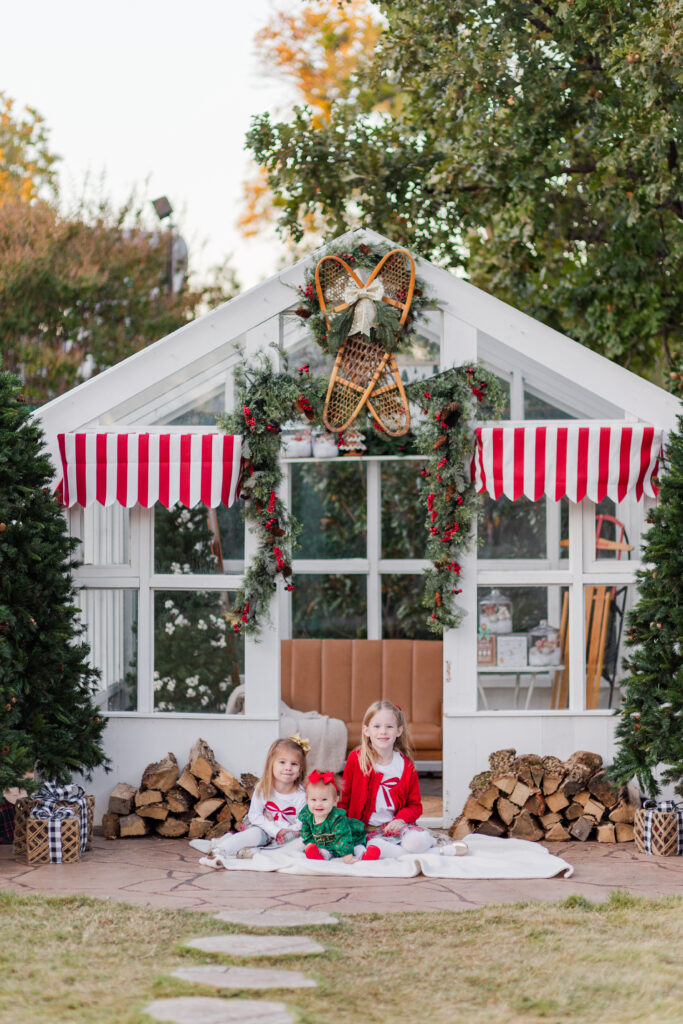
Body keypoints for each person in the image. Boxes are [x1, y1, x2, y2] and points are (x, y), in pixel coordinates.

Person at [339, 700, 436, 860]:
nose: (383, 732)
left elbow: (415, 806)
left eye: (389, 727)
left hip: (396, 827)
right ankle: (420, 853)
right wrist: (343, 827)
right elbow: (345, 798)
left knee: (416, 841)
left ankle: (417, 847)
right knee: (373, 847)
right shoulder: (356, 759)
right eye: (376, 726)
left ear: (398, 731)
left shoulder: (405, 765)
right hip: (367, 831)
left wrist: (400, 819)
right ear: (366, 730)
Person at [190, 735, 308, 866]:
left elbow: (301, 823)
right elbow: (255, 815)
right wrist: (274, 829)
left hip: (287, 835)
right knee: (254, 834)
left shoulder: (301, 796)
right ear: (271, 764)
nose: (288, 768)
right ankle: (221, 850)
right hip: (264, 828)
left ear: (300, 770)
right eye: (282, 762)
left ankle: (255, 852)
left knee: (302, 842)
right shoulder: (263, 788)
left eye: (294, 764)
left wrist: (284, 830)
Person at [300, 770, 366, 862]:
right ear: (307, 799)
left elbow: (343, 836)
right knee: (323, 849)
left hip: (349, 838)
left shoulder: (337, 818)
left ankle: (365, 854)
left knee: (357, 847)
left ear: (335, 801)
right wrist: (309, 844)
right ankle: (320, 855)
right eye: (313, 800)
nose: (318, 804)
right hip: (326, 843)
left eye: (324, 799)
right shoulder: (307, 815)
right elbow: (306, 831)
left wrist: (346, 855)